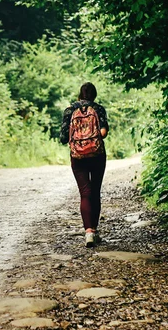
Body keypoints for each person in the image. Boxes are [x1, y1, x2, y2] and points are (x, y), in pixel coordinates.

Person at [60, 82, 109, 247]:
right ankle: (94, 231)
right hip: (97, 154)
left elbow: (63, 138)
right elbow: (104, 133)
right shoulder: (99, 109)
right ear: (94, 95)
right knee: (95, 191)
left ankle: (88, 232)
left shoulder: (70, 110)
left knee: (85, 193)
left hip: (77, 156)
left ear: (79, 94)